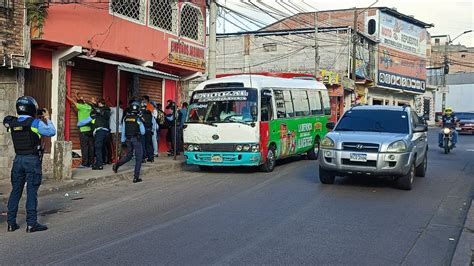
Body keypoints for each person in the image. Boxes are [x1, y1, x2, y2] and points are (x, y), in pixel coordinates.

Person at [3, 96, 56, 233]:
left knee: (15, 191)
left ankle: (11, 223)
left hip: (18, 160)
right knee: (32, 192)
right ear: (32, 108)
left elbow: (8, 122)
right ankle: (31, 224)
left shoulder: (12, 123)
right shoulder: (34, 123)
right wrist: (47, 118)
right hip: (31, 160)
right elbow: (51, 131)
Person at [113, 101, 145, 183]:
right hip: (136, 140)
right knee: (139, 158)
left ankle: (117, 165)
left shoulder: (126, 118)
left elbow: (123, 130)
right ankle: (136, 177)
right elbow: (143, 132)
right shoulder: (138, 118)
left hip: (128, 139)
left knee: (128, 156)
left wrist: (123, 141)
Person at [80, 99, 111, 170]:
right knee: (103, 147)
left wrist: (79, 123)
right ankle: (103, 161)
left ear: (100, 103)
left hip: (100, 131)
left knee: (98, 148)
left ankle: (99, 165)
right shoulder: (107, 110)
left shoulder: (99, 112)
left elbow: (88, 120)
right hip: (106, 132)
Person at [66, 92, 94, 168]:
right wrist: (76, 96)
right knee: (91, 147)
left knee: (84, 147)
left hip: (83, 130)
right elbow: (81, 101)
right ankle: (91, 163)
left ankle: (85, 164)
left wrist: (67, 96)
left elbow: (73, 102)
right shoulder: (88, 107)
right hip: (90, 130)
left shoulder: (81, 107)